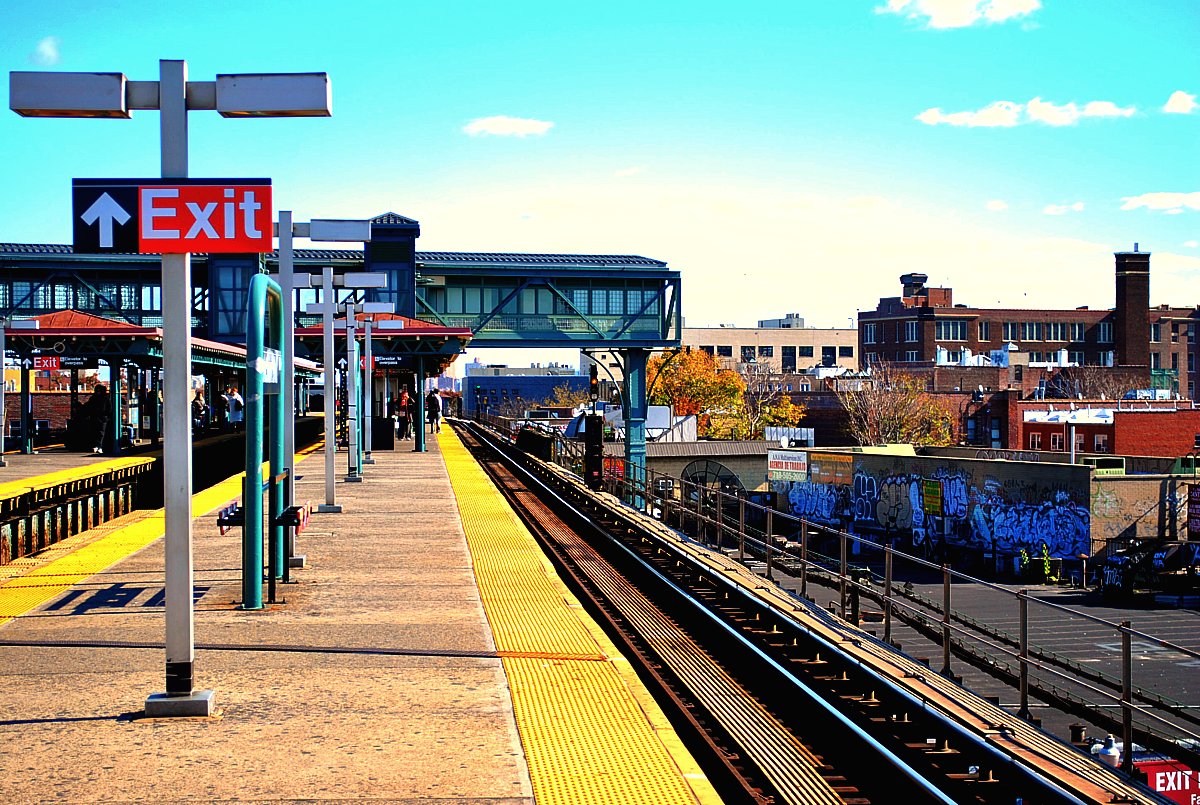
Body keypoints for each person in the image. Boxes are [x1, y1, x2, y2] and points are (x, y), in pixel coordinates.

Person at [80, 384, 110, 454]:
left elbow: (109, 409)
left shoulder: (102, 399)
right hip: (97, 418)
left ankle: (99, 446)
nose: (98, 392)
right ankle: (98, 446)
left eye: (100, 391)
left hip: (100, 418)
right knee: (96, 432)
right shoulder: (96, 398)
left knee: (100, 433)